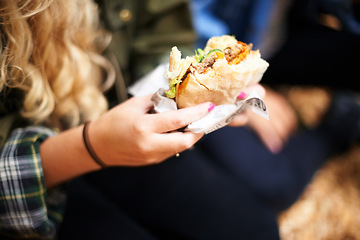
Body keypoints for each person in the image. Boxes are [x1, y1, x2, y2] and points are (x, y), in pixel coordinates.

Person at [0, 0, 274, 239]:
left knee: (256, 230)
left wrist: (203, 98)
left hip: (123, 120)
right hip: (37, 176)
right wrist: (91, 146)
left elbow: (160, 30)